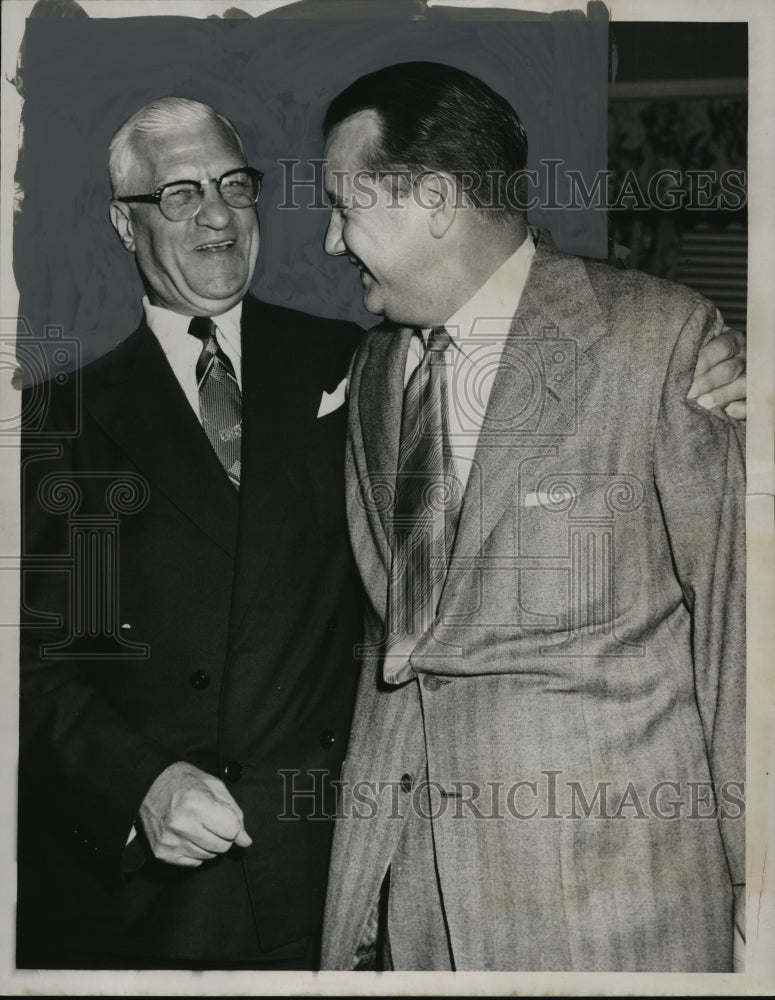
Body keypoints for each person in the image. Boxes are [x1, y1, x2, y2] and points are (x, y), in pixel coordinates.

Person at [319, 62, 746, 972]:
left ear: (433, 199)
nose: (328, 240)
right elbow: (400, 649)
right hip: (415, 903)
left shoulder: (656, 340)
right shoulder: (372, 375)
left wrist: (760, 877)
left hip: (612, 899)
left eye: (344, 205)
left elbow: (739, 631)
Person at [18, 97, 363, 969]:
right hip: (163, 893)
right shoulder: (67, 418)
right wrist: (138, 782)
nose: (216, 215)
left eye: (232, 186)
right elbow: (36, 664)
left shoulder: (349, 359)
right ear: (122, 223)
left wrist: (700, 366)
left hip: (331, 867)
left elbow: (501, 352)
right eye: (177, 194)